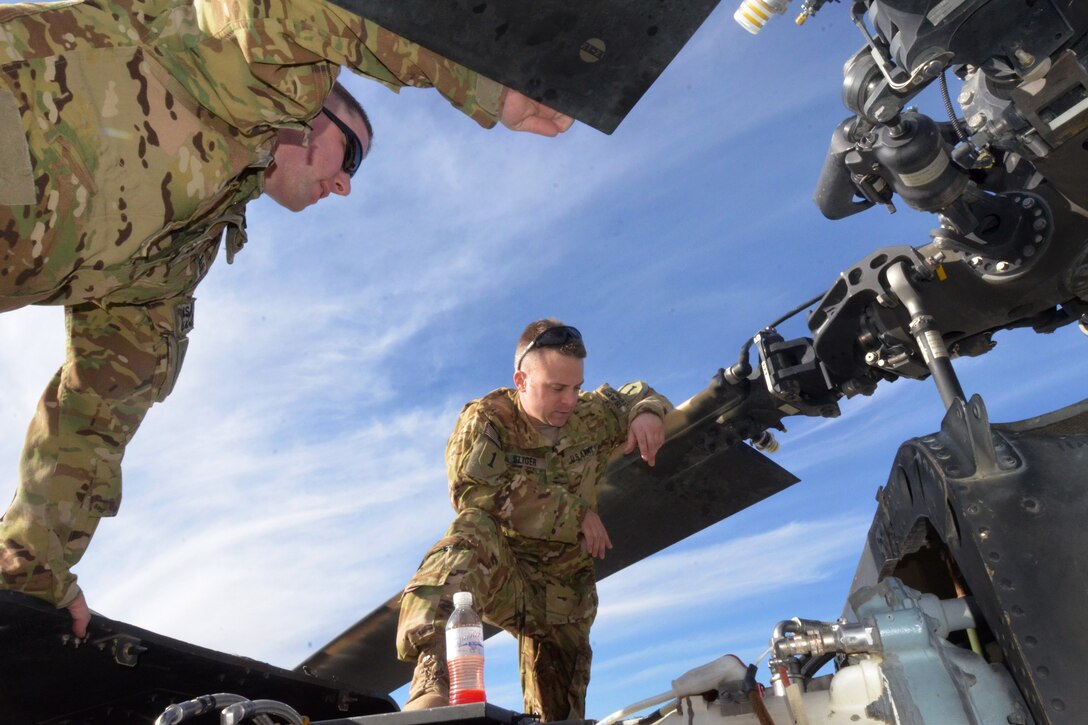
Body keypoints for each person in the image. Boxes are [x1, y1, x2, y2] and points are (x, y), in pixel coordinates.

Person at [0, 0, 573, 639]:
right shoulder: (234, 64)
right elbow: (318, 13)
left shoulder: (173, 261)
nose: (346, 185)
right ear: (313, 109)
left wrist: (32, 573)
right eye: (350, 155)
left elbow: (92, 423)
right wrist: (494, 81)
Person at [396, 319, 671, 720]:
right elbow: (476, 491)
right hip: (505, 572)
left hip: (565, 593)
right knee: (471, 529)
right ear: (521, 380)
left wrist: (647, 411)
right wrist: (573, 513)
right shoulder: (488, 420)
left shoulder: (591, 416)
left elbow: (636, 393)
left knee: (560, 718)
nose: (569, 401)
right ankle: (431, 674)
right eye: (556, 389)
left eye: (576, 387)